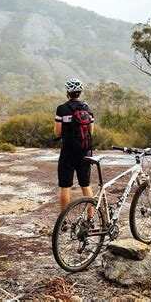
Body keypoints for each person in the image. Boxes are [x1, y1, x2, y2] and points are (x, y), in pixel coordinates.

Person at [54, 78, 95, 214]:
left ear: (67, 92)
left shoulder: (62, 109)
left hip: (67, 152)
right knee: (85, 185)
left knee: (65, 186)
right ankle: (91, 219)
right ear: (80, 92)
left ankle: (64, 220)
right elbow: (91, 131)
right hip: (84, 152)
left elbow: (58, 131)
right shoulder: (87, 109)